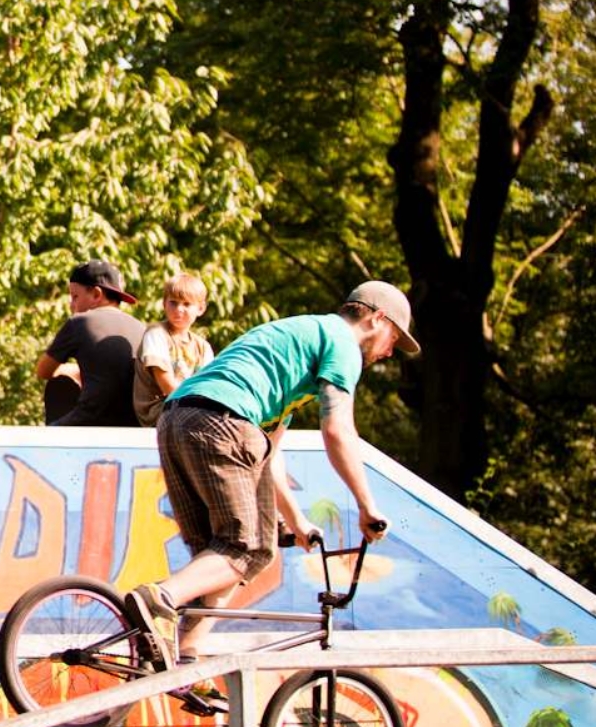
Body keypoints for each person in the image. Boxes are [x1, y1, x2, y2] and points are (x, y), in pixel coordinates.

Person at [125, 280, 419, 674]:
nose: (386, 354)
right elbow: (338, 431)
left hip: (177, 419)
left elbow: (268, 455)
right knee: (250, 549)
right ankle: (157, 599)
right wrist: (367, 506)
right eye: (392, 341)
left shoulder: (294, 352)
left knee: (220, 555)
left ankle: (185, 658)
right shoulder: (343, 344)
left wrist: (297, 522)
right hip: (222, 421)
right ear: (375, 318)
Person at [36, 261, 147, 426]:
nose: (71, 305)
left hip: (90, 421)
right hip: (135, 424)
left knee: (44, 435)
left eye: (75, 297)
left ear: (96, 294)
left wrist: (71, 370)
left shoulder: (79, 322)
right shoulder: (142, 328)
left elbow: (43, 371)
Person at [131, 273, 216, 426]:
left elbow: (207, 387)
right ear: (164, 304)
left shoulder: (203, 346)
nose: (179, 309)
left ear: (201, 308)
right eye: (173, 303)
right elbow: (168, 386)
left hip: (187, 406)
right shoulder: (156, 334)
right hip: (159, 410)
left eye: (186, 304)